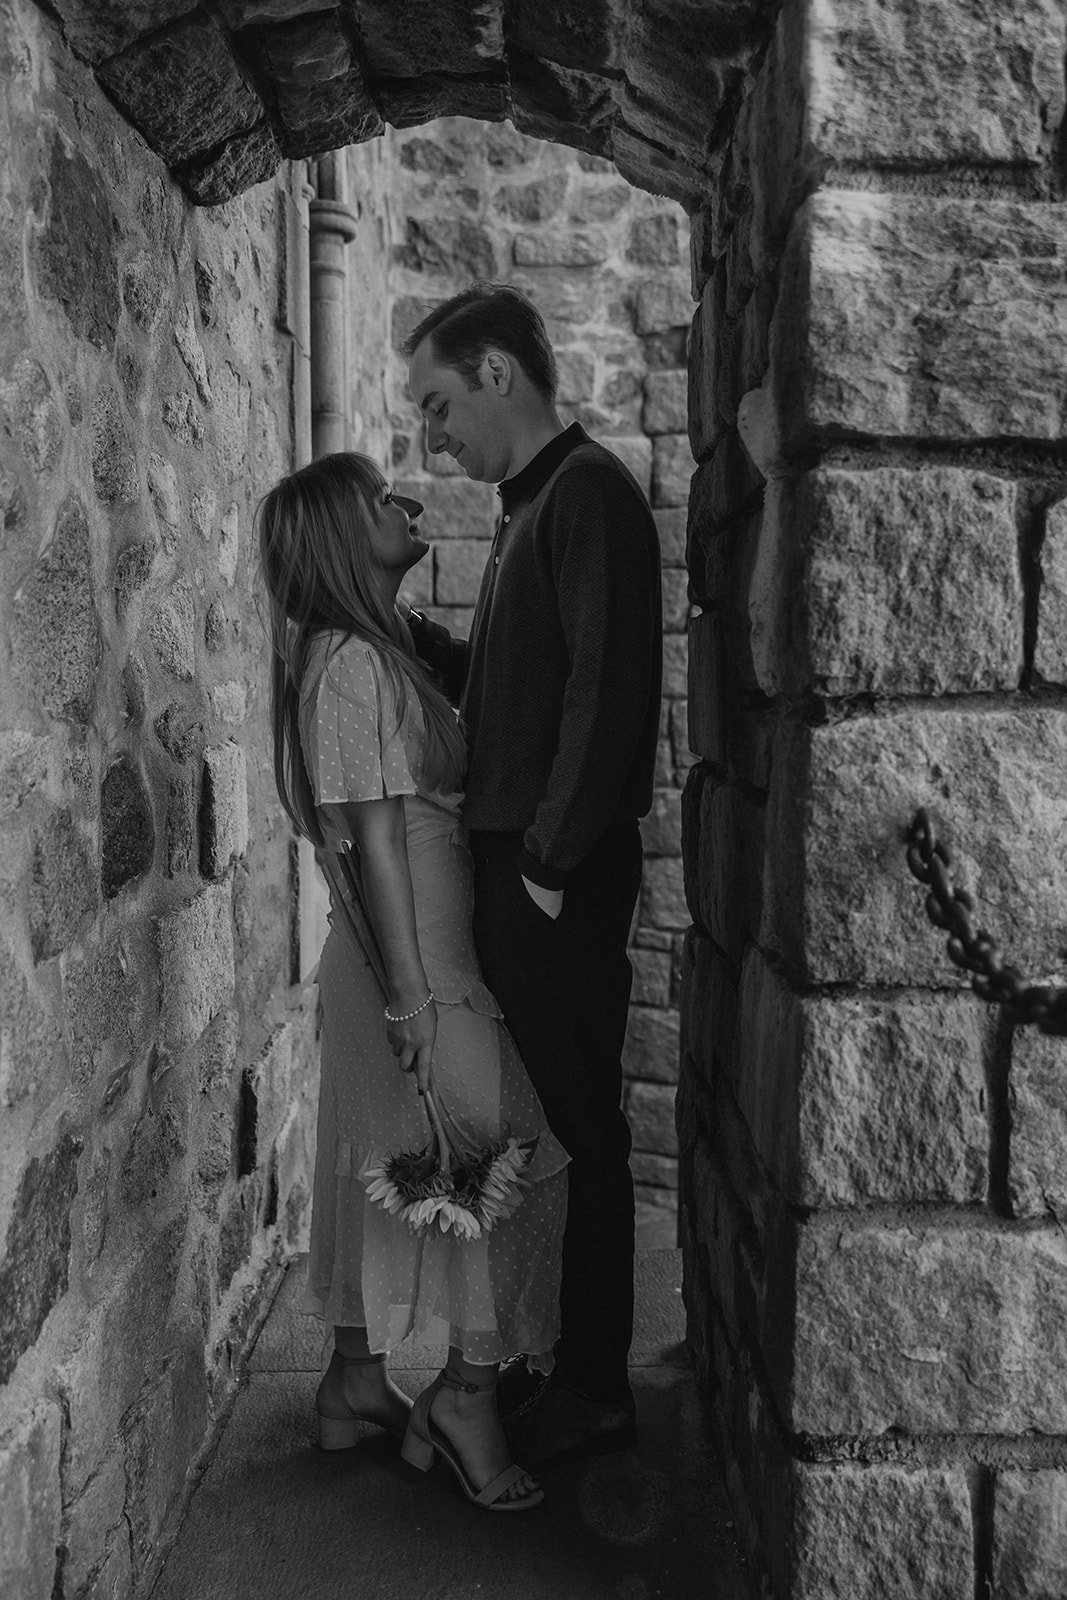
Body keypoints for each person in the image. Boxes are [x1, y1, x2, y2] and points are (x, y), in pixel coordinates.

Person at [257, 451, 569, 1512]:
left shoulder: (363, 654)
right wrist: (412, 1003)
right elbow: (376, 848)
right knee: (507, 1164)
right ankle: (464, 1397)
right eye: (381, 499)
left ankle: (354, 1383)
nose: (408, 502)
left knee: (409, 1161)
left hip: (419, 961)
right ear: (347, 538)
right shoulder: (347, 663)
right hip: (415, 966)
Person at [402, 282, 663, 1470]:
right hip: (521, 865)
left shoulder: (588, 492)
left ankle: (595, 1387)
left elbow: (605, 697)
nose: (428, 432)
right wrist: (396, 631)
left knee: (575, 1131)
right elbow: (516, 691)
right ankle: (552, 1360)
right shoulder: (527, 507)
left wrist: (548, 869)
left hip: (552, 873)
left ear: (498, 372)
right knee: (542, 1128)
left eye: (438, 400)